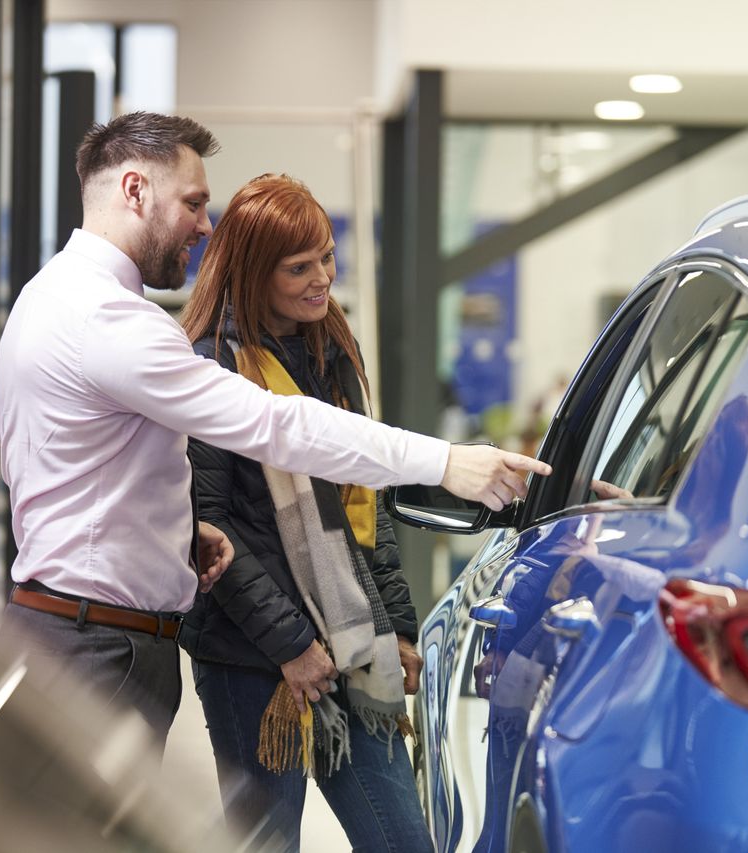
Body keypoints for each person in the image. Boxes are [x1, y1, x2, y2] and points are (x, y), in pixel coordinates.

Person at [0, 112, 550, 747]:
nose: (205, 226)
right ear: (134, 190)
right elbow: (274, 422)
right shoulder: (111, 321)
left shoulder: (49, 296)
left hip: (76, 630)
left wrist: (175, 532)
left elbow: (65, 464)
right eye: (194, 203)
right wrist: (445, 461)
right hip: (100, 649)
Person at [177, 173, 438, 851]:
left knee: (403, 839)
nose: (322, 277)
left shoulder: (330, 353)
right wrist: (292, 644)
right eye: (299, 266)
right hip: (254, 658)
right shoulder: (210, 367)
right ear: (254, 271)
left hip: (353, 647)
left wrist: (397, 624)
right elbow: (207, 528)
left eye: (326, 256)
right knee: (269, 842)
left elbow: (365, 510)